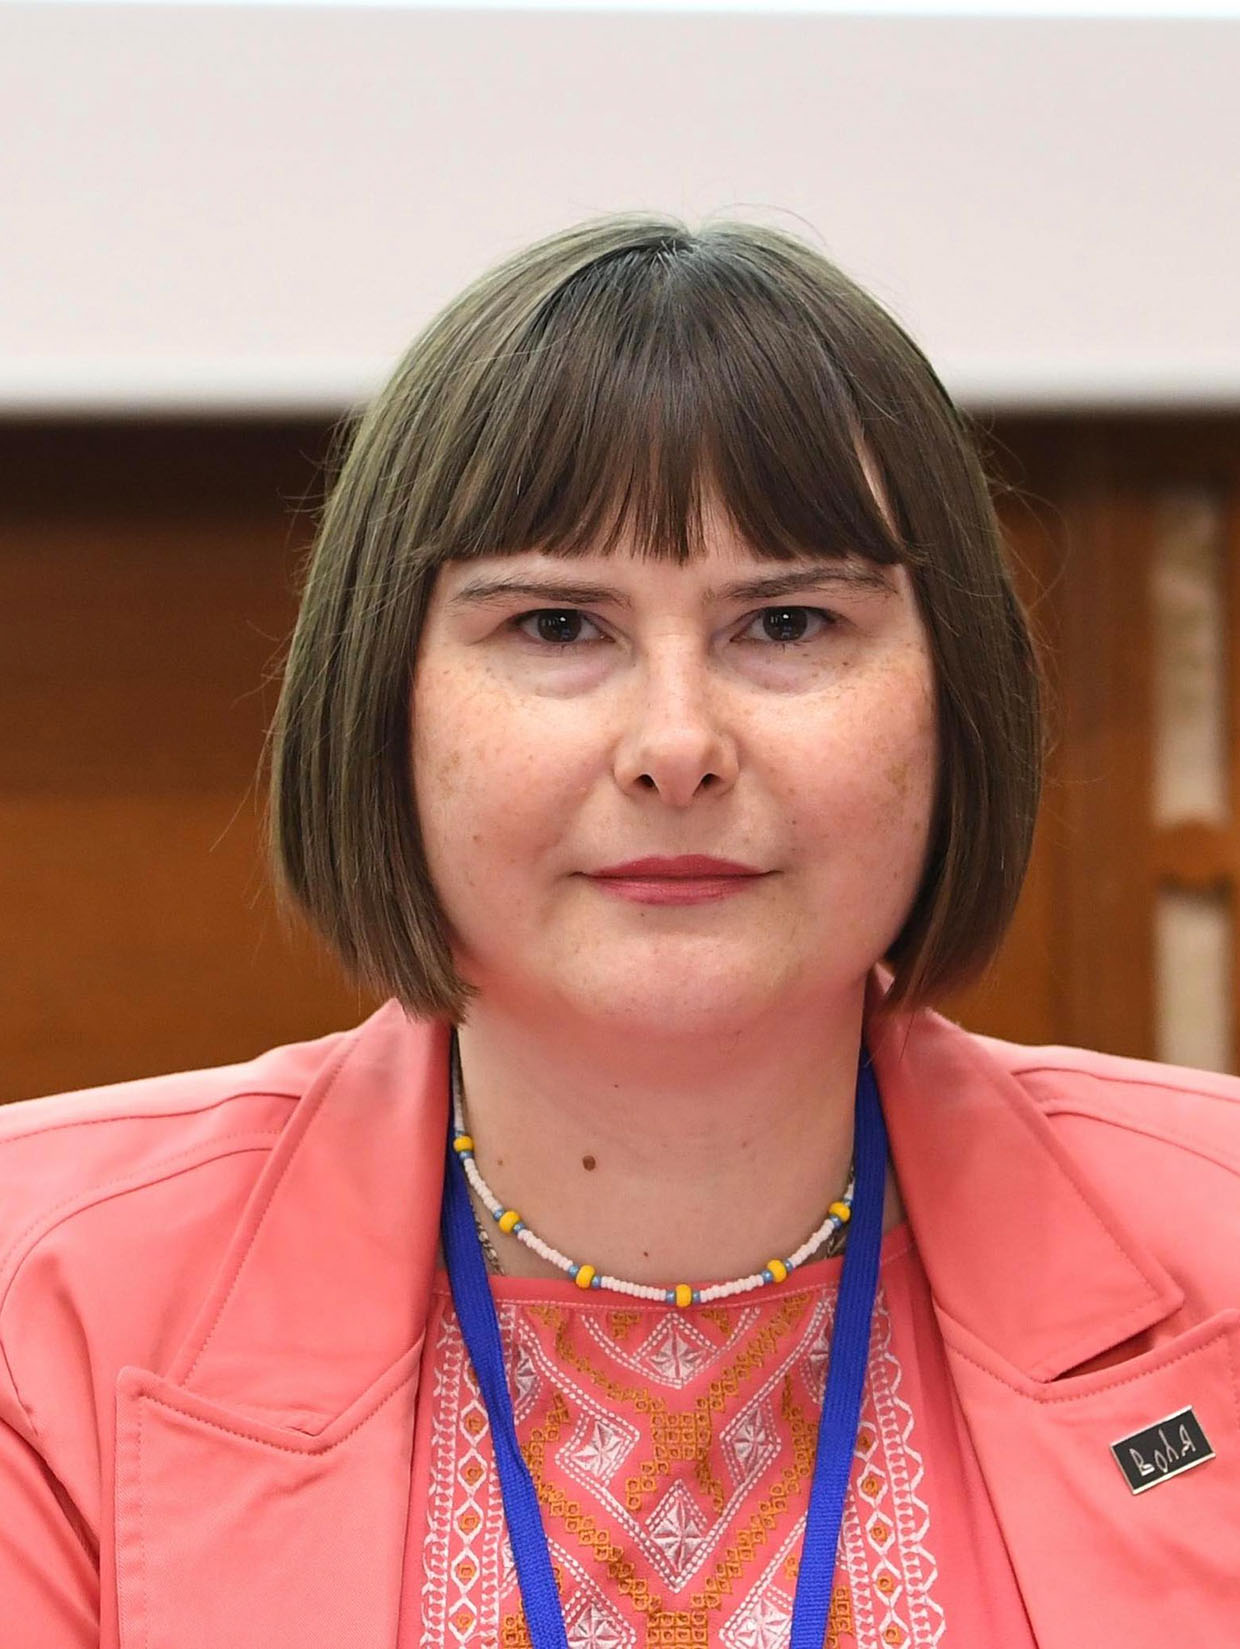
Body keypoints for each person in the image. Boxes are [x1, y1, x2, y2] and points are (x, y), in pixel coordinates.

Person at [1, 214, 1236, 1649]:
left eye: (787, 623)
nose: (676, 747)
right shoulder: (40, 1300)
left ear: (955, 703)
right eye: (555, 626)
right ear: (381, 702)